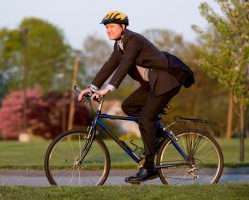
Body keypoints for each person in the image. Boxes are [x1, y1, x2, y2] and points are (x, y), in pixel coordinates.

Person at [78, 11, 193, 183]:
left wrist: (107, 90)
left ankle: (148, 167)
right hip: (153, 84)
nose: (108, 30)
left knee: (146, 119)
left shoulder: (133, 40)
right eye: (106, 27)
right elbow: (109, 66)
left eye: (111, 26)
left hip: (167, 81)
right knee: (129, 106)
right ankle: (158, 135)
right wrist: (91, 87)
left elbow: (125, 65)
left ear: (123, 27)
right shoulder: (119, 46)